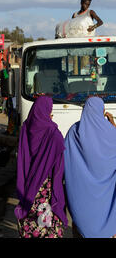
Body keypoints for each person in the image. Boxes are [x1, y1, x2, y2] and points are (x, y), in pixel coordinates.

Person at [15, 96, 67, 238]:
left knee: (32, 220)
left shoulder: (26, 127)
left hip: (28, 183)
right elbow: (59, 161)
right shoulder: (53, 133)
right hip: (46, 186)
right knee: (45, 222)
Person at [64, 97, 116, 238]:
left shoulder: (74, 131)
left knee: (81, 227)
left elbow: (64, 158)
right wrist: (113, 126)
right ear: (102, 111)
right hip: (107, 198)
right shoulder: (112, 134)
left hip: (80, 196)